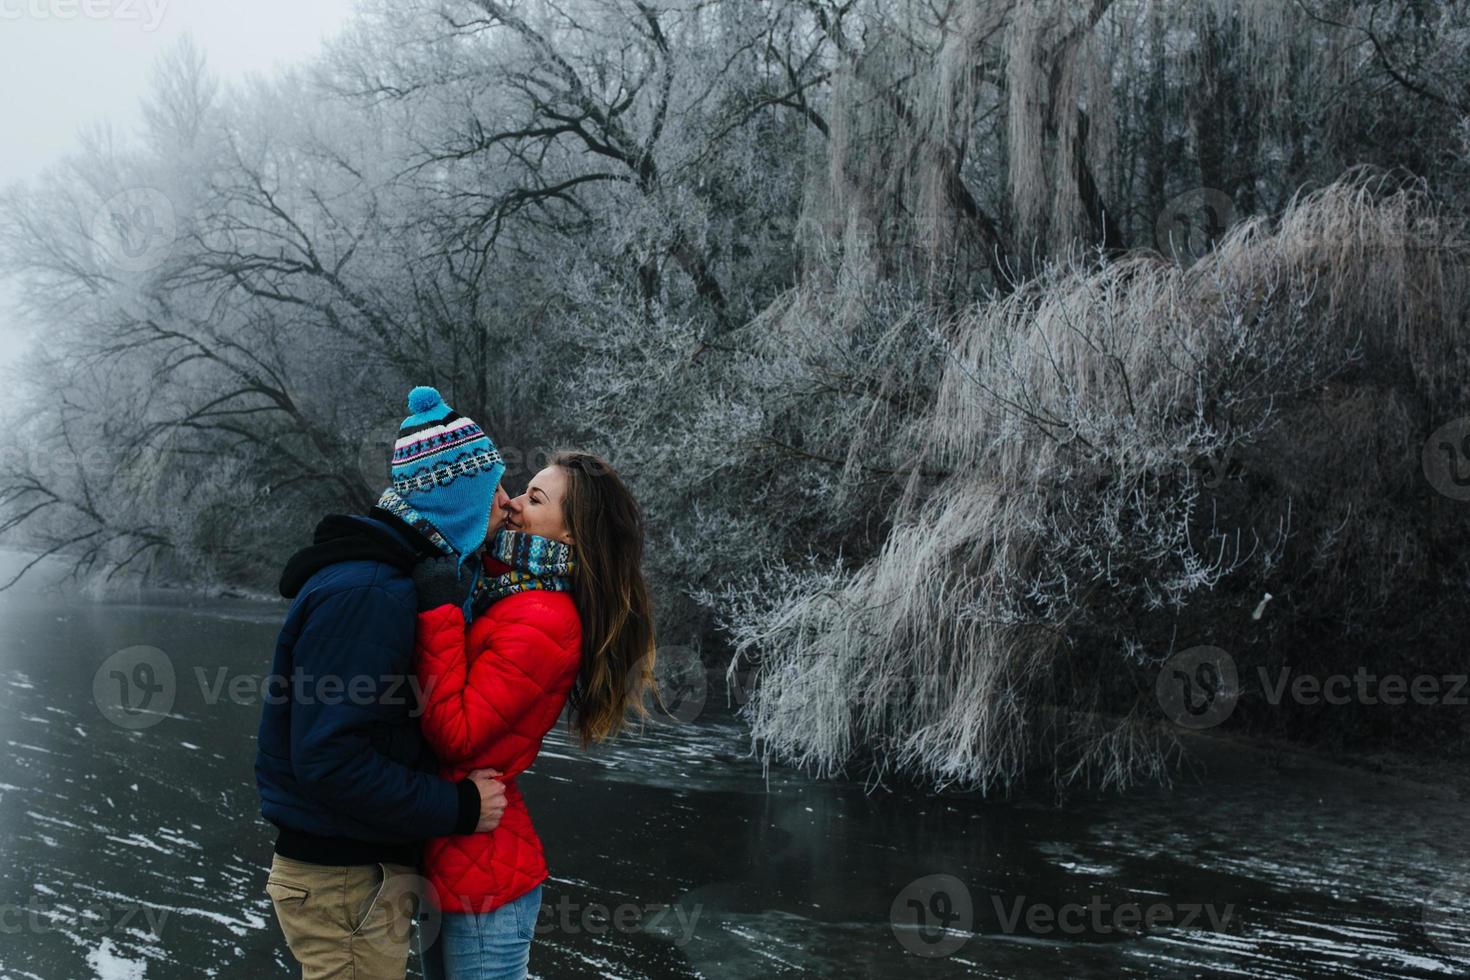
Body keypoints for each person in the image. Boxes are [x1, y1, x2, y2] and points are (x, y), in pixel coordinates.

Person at [255, 385, 512, 979]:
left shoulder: (395, 581)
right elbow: (329, 759)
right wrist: (459, 805)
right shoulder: (370, 594)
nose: (506, 503)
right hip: (346, 881)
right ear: (458, 499)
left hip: (359, 875)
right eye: (492, 488)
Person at [412, 450, 657, 980]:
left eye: (535, 498)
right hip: (459, 853)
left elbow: (457, 735)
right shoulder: (511, 590)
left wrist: (440, 610)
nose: (514, 505)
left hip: (485, 879)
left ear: (571, 536)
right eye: (524, 491)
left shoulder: (543, 618)